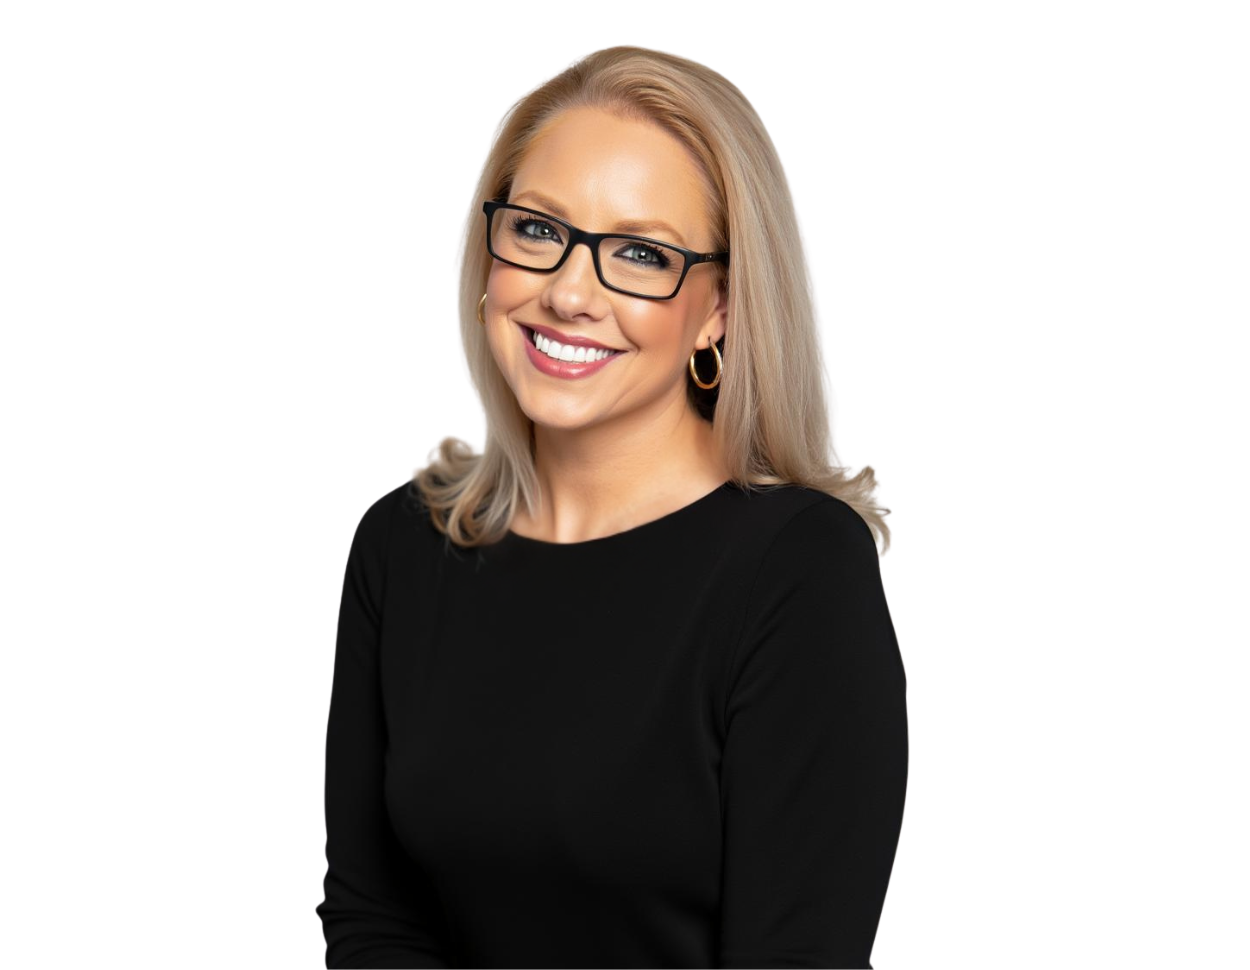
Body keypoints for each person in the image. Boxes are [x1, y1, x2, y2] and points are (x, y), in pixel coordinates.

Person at [317, 44, 906, 970]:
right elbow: (371, 919)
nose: (569, 293)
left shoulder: (797, 569)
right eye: (540, 230)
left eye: (640, 253)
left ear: (720, 306)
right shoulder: (403, 541)